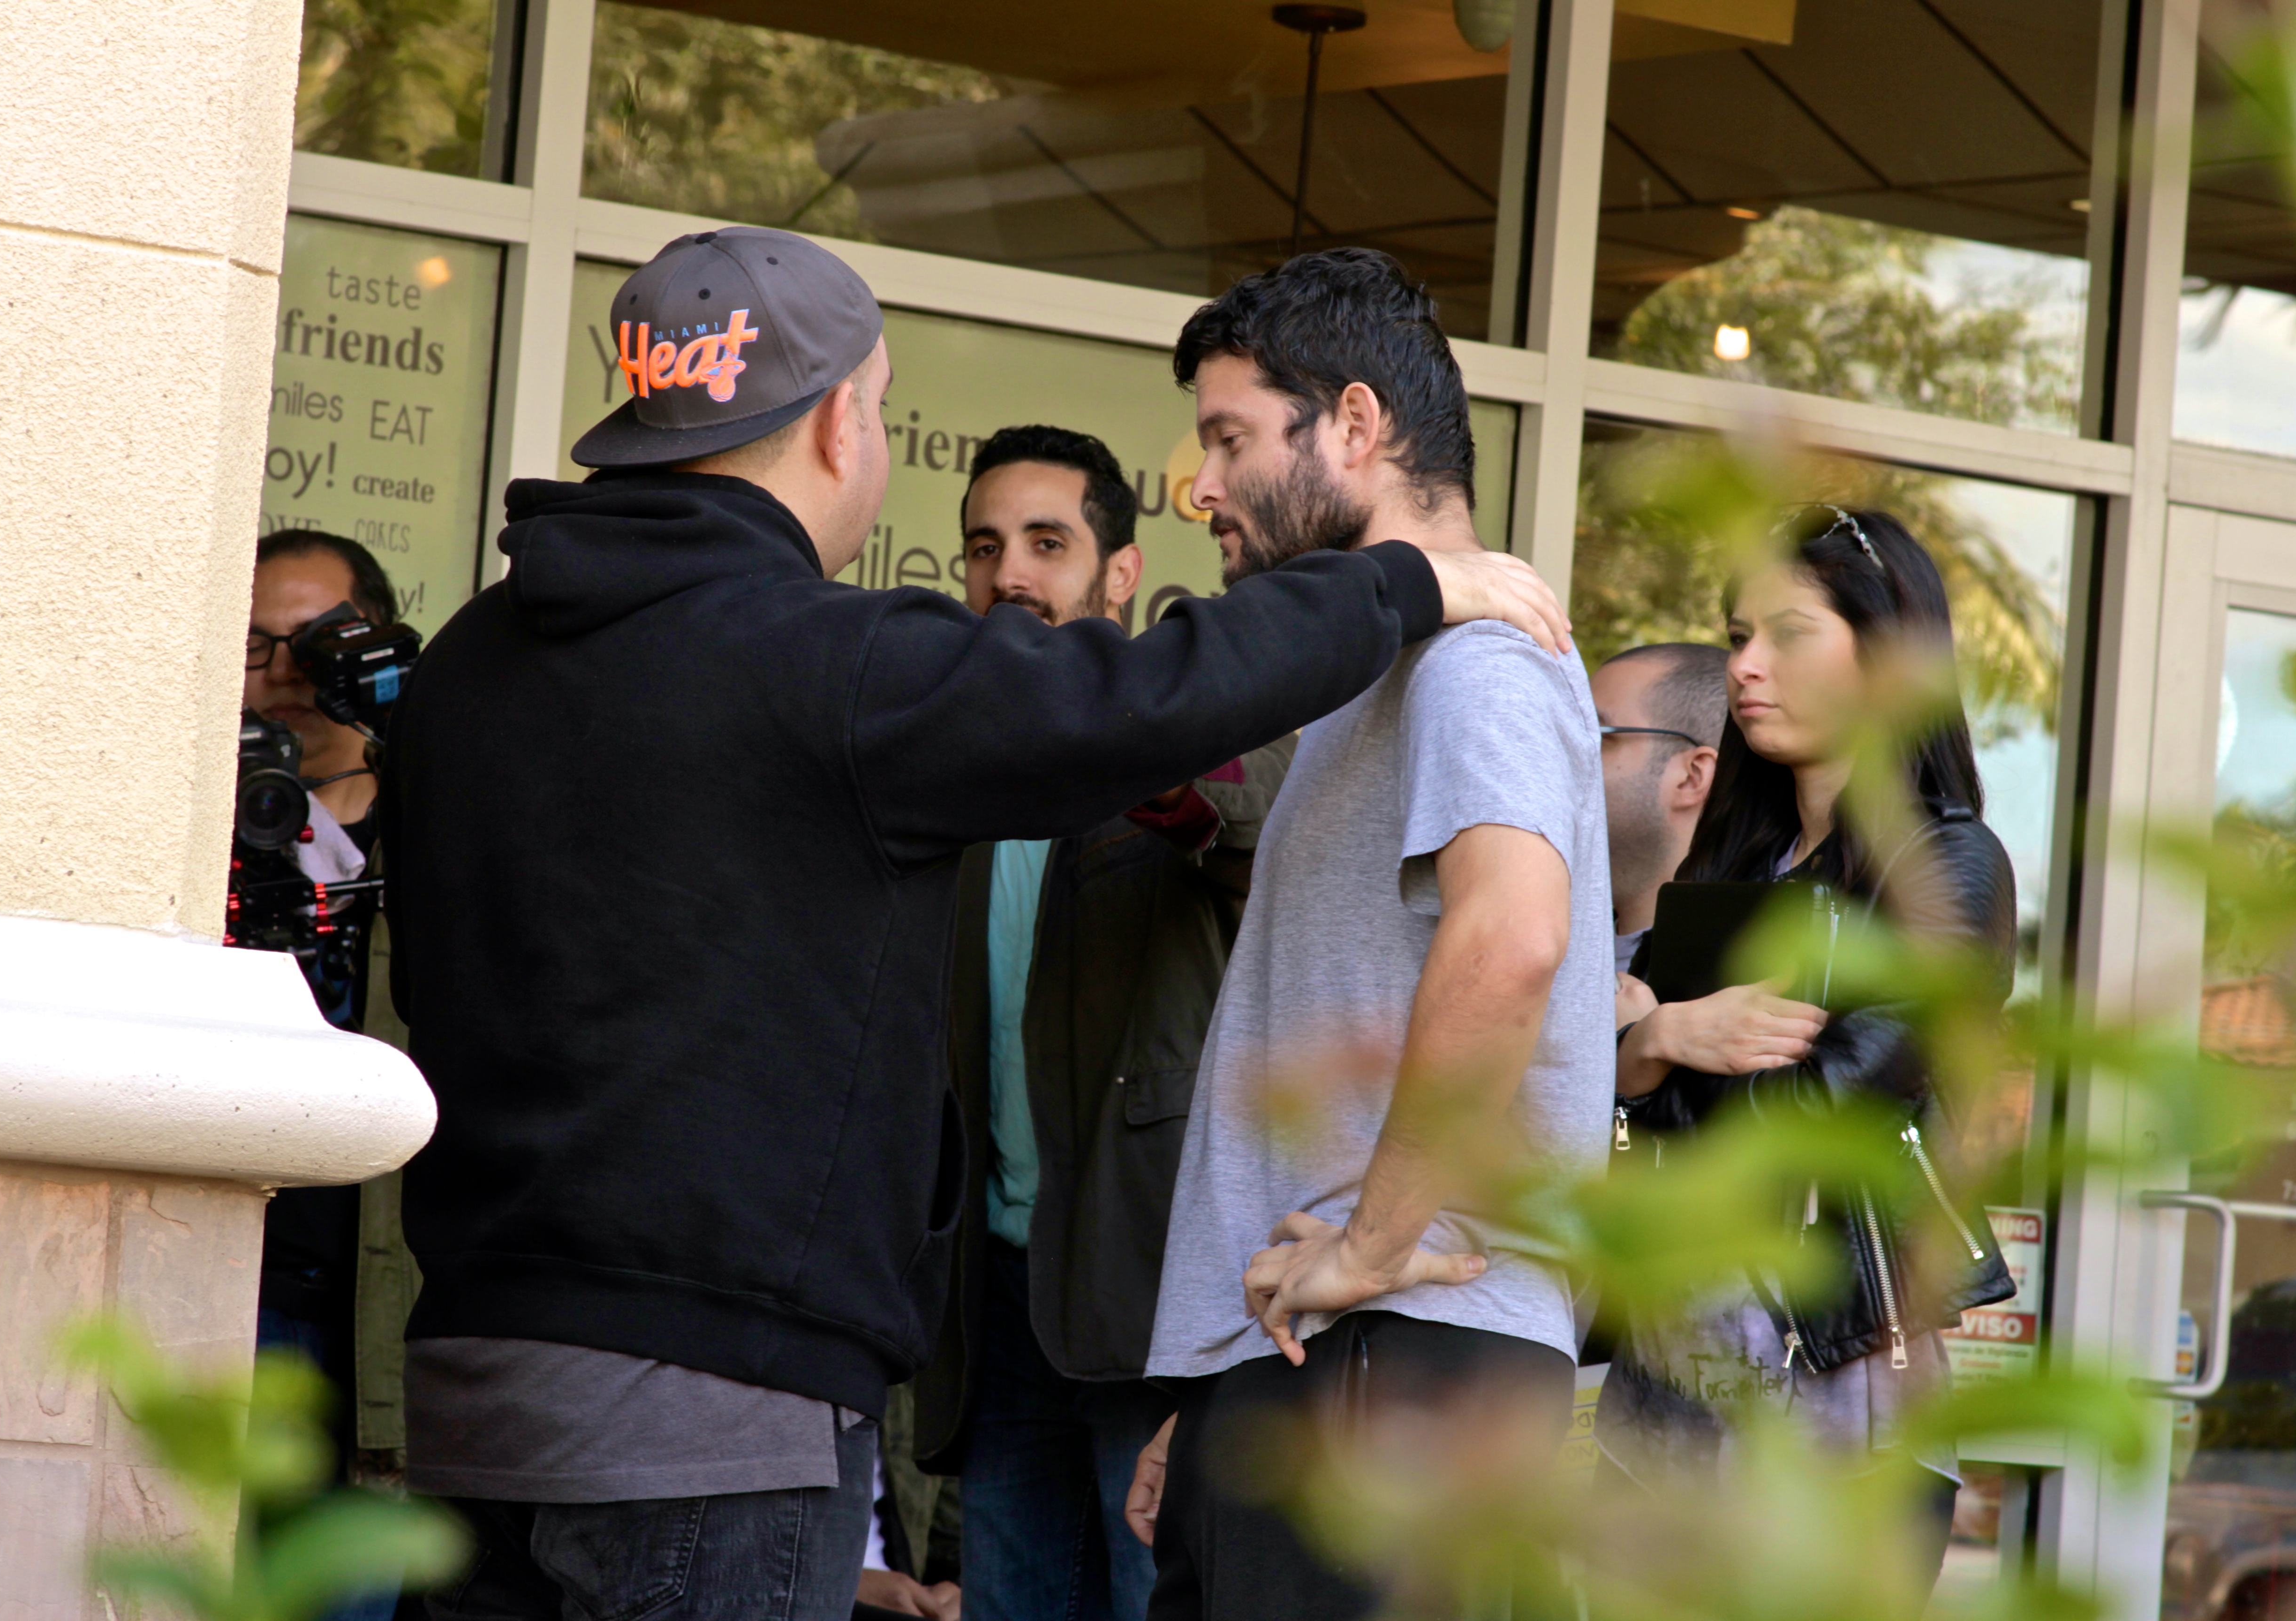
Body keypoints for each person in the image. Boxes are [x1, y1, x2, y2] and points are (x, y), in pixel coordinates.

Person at [380, 227, 1571, 1621]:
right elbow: (1128, 702)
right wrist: (1402, 582)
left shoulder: (466, 664)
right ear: (837, 426)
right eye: (879, 412)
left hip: (469, 1390)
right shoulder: (818, 662)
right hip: (716, 1419)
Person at [1123, 248, 1615, 1621]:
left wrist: (1373, 1249)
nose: (1200, 486)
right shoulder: (1392, 668)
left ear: (1354, 424)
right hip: (1332, 1363)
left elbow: (1513, 941)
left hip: (1393, 1356)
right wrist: (1223, 1377)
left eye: (1228, 440)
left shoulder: (1482, 660)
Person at [1598, 506, 2019, 1614]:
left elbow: (1813, 1115)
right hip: (1659, 1395)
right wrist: (1662, 1036)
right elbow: (1591, 1078)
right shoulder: (1730, 857)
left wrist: (1644, 1042)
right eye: (1737, 634)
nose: (1743, 665)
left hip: (1836, 1417)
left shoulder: (1948, 867)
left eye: (1787, 634)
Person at [913, 423, 1295, 1621]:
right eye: (984, 546)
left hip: (1150, 1303)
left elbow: (1250, 834)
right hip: (995, 1304)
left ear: (1120, 573)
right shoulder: (954, 766)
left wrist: (1152, 768)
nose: (1008, 574)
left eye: (1046, 542)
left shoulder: (1196, 735)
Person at [241, 529, 419, 1621]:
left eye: (316, 646)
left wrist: (416, 722)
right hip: (232, 1286)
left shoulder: (443, 821)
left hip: (373, 1311)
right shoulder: (189, 820)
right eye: (258, 645)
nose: (285, 677)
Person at [1592, 643, 1726, 1017]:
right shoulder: (1553, 942)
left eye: (1597, 735)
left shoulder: (1733, 984)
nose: (1566, 753)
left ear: (1692, 776)